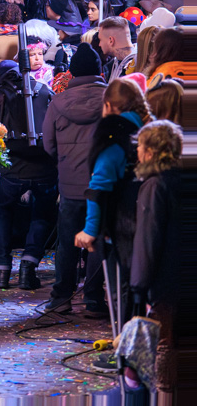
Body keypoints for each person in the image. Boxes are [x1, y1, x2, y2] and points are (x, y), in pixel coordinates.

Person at [74, 79, 152, 316]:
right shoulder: (151, 130)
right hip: (152, 216)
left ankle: (129, 347)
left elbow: (99, 186)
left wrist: (90, 229)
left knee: (124, 290)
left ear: (108, 105)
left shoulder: (112, 134)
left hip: (123, 221)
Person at [42, 43, 109, 315]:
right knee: (99, 241)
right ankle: (94, 300)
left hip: (70, 185)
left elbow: (48, 144)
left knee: (67, 241)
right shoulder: (111, 99)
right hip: (103, 185)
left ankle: (61, 297)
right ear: (100, 70)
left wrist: (65, 162)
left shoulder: (58, 102)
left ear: (71, 72)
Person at [0, 60, 58, 290]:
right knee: (41, 215)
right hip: (44, 168)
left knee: (3, 213)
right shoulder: (45, 90)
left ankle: (2, 271)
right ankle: (28, 267)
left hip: (11, 169)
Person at [131, 120, 184, 401]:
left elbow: (148, 239)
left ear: (151, 151)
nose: (137, 151)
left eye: (140, 145)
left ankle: (166, 396)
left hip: (164, 277)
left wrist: (139, 284)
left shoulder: (153, 186)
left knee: (165, 343)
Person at [97, 16, 136, 81]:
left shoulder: (137, 64)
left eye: (100, 40)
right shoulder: (113, 64)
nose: (99, 44)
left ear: (111, 40)